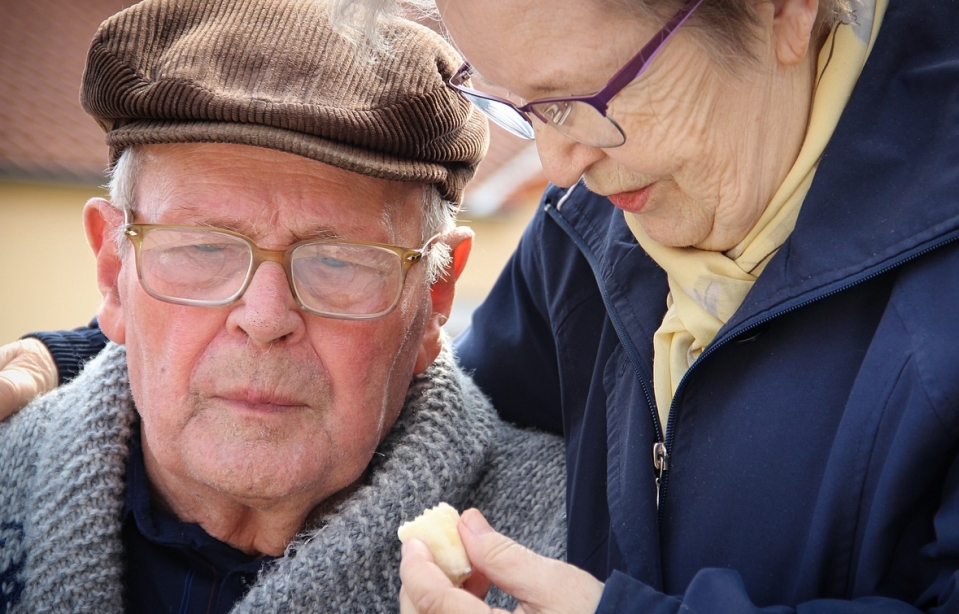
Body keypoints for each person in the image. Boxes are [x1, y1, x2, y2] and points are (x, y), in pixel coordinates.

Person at [4, 0, 959, 612]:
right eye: (522, 109)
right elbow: (396, 379)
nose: (553, 170)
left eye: (586, 96)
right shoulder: (593, 232)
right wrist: (72, 363)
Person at [0, 0, 567, 612]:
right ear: (114, 273)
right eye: (204, 248)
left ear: (434, 296)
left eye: (338, 261)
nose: (266, 319)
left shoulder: (570, 547)